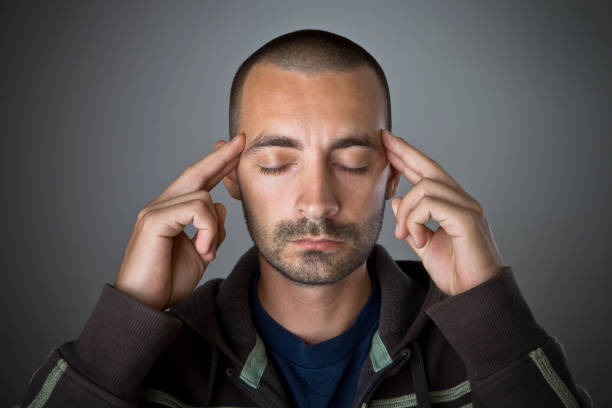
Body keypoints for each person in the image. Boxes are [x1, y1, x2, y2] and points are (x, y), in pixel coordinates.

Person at [19, 29, 591, 408]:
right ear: (231, 177)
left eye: (351, 161)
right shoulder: (154, 365)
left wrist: (491, 309)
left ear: (390, 177)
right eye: (275, 164)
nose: (316, 201)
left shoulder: (474, 348)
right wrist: (127, 317)